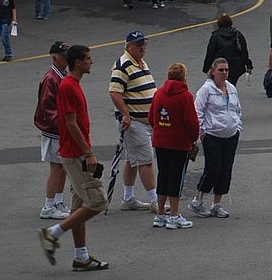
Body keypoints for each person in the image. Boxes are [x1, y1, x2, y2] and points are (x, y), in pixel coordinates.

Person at [37, 44, 109, 271]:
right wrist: (88, 152)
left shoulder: (72, 84)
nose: (91, 62)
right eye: (88, 58)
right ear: (77, 62)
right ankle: (52, 233)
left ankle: (81, 256)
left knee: (79, 206)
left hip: (74, 152)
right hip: (75, 154)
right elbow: (70, 122)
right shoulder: (68, 86)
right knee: (98, 201)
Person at [108, 31, 159, 213]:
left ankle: (128, 198)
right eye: (138, 44)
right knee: (145, 160)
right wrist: (126, 114)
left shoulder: (140, 62)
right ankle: (155, 200)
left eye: (144, 43)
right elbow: (114, 91)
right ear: (128, 46)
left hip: (143, 121)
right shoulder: (123, 65)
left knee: (132, 159)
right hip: (134, 121)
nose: (142, 47)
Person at [149, 62, 200, 230]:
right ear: (183, 77)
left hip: (160, 141)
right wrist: (193, 139)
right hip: (179, 143)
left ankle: (161, 213)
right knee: (176, 178)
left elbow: (151, 118)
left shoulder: (158, 94)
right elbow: (191, 122)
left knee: (163, 175)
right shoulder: (185, 96)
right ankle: (174, 215)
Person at [190, 57, 242, 219]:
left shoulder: (232, 88)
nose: (224, 73)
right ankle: (197, 201)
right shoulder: (206, 90)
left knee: (226, 170)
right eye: (221, 70)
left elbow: (237, 109)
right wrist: (202, 132)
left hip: (231, 135)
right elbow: (197, 111)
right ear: (213, 72)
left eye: (226, 70)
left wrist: (237, 126)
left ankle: (217, 204)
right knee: (213, 168)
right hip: (212, 135)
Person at [36, 40, 71, 221]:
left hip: (59, 129)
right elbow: (48, 108)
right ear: (55, 58)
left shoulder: (61, 75)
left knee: (62, 167)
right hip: (54, 130)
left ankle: (57, 201)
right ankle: (49, 205)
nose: (66, 60)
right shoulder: (51, 78)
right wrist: (64, 124)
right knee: (57, 167)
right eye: (64, 57)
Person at [201, 12, 253, 85]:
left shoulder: (215, 36)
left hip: (220, 65)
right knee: (232, 84)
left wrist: (206, 68)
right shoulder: (237, 34)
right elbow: (244, 51)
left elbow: (210, 53)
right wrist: (248, 65)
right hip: (236, 65)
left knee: (220, 84)